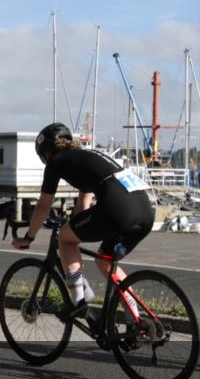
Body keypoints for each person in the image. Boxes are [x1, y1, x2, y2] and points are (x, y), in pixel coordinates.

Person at [10, 123, 154, 317]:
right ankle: (137, 319)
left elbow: (44, 205)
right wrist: (76, 224)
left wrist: (29, 237)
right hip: (145, 210)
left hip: (118, 210)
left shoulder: (56, 162)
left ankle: (79, 299)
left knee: (65, 239)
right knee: (105, 261)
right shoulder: (87, 156)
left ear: (46, 153)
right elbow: (84, 203)